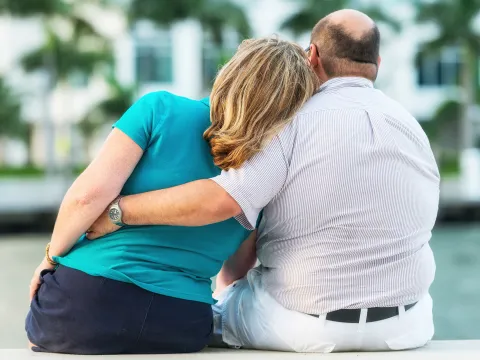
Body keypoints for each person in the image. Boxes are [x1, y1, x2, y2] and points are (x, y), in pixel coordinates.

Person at [88, 9, 440, 353]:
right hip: (406, 325)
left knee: (215, 306)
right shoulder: (411, 127)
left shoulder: (294, 123)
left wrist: (120, 211)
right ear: (377, 61)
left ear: (312, 56)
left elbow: (221, 200)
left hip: (304, 325)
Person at [25, 37, 319, 355]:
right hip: (183, 322)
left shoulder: (160, 110)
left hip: (85, 301)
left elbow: (87, 197)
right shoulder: (264, 174)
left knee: (40, 333)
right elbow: (238, 267)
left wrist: (49, 258)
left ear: (231, 73)